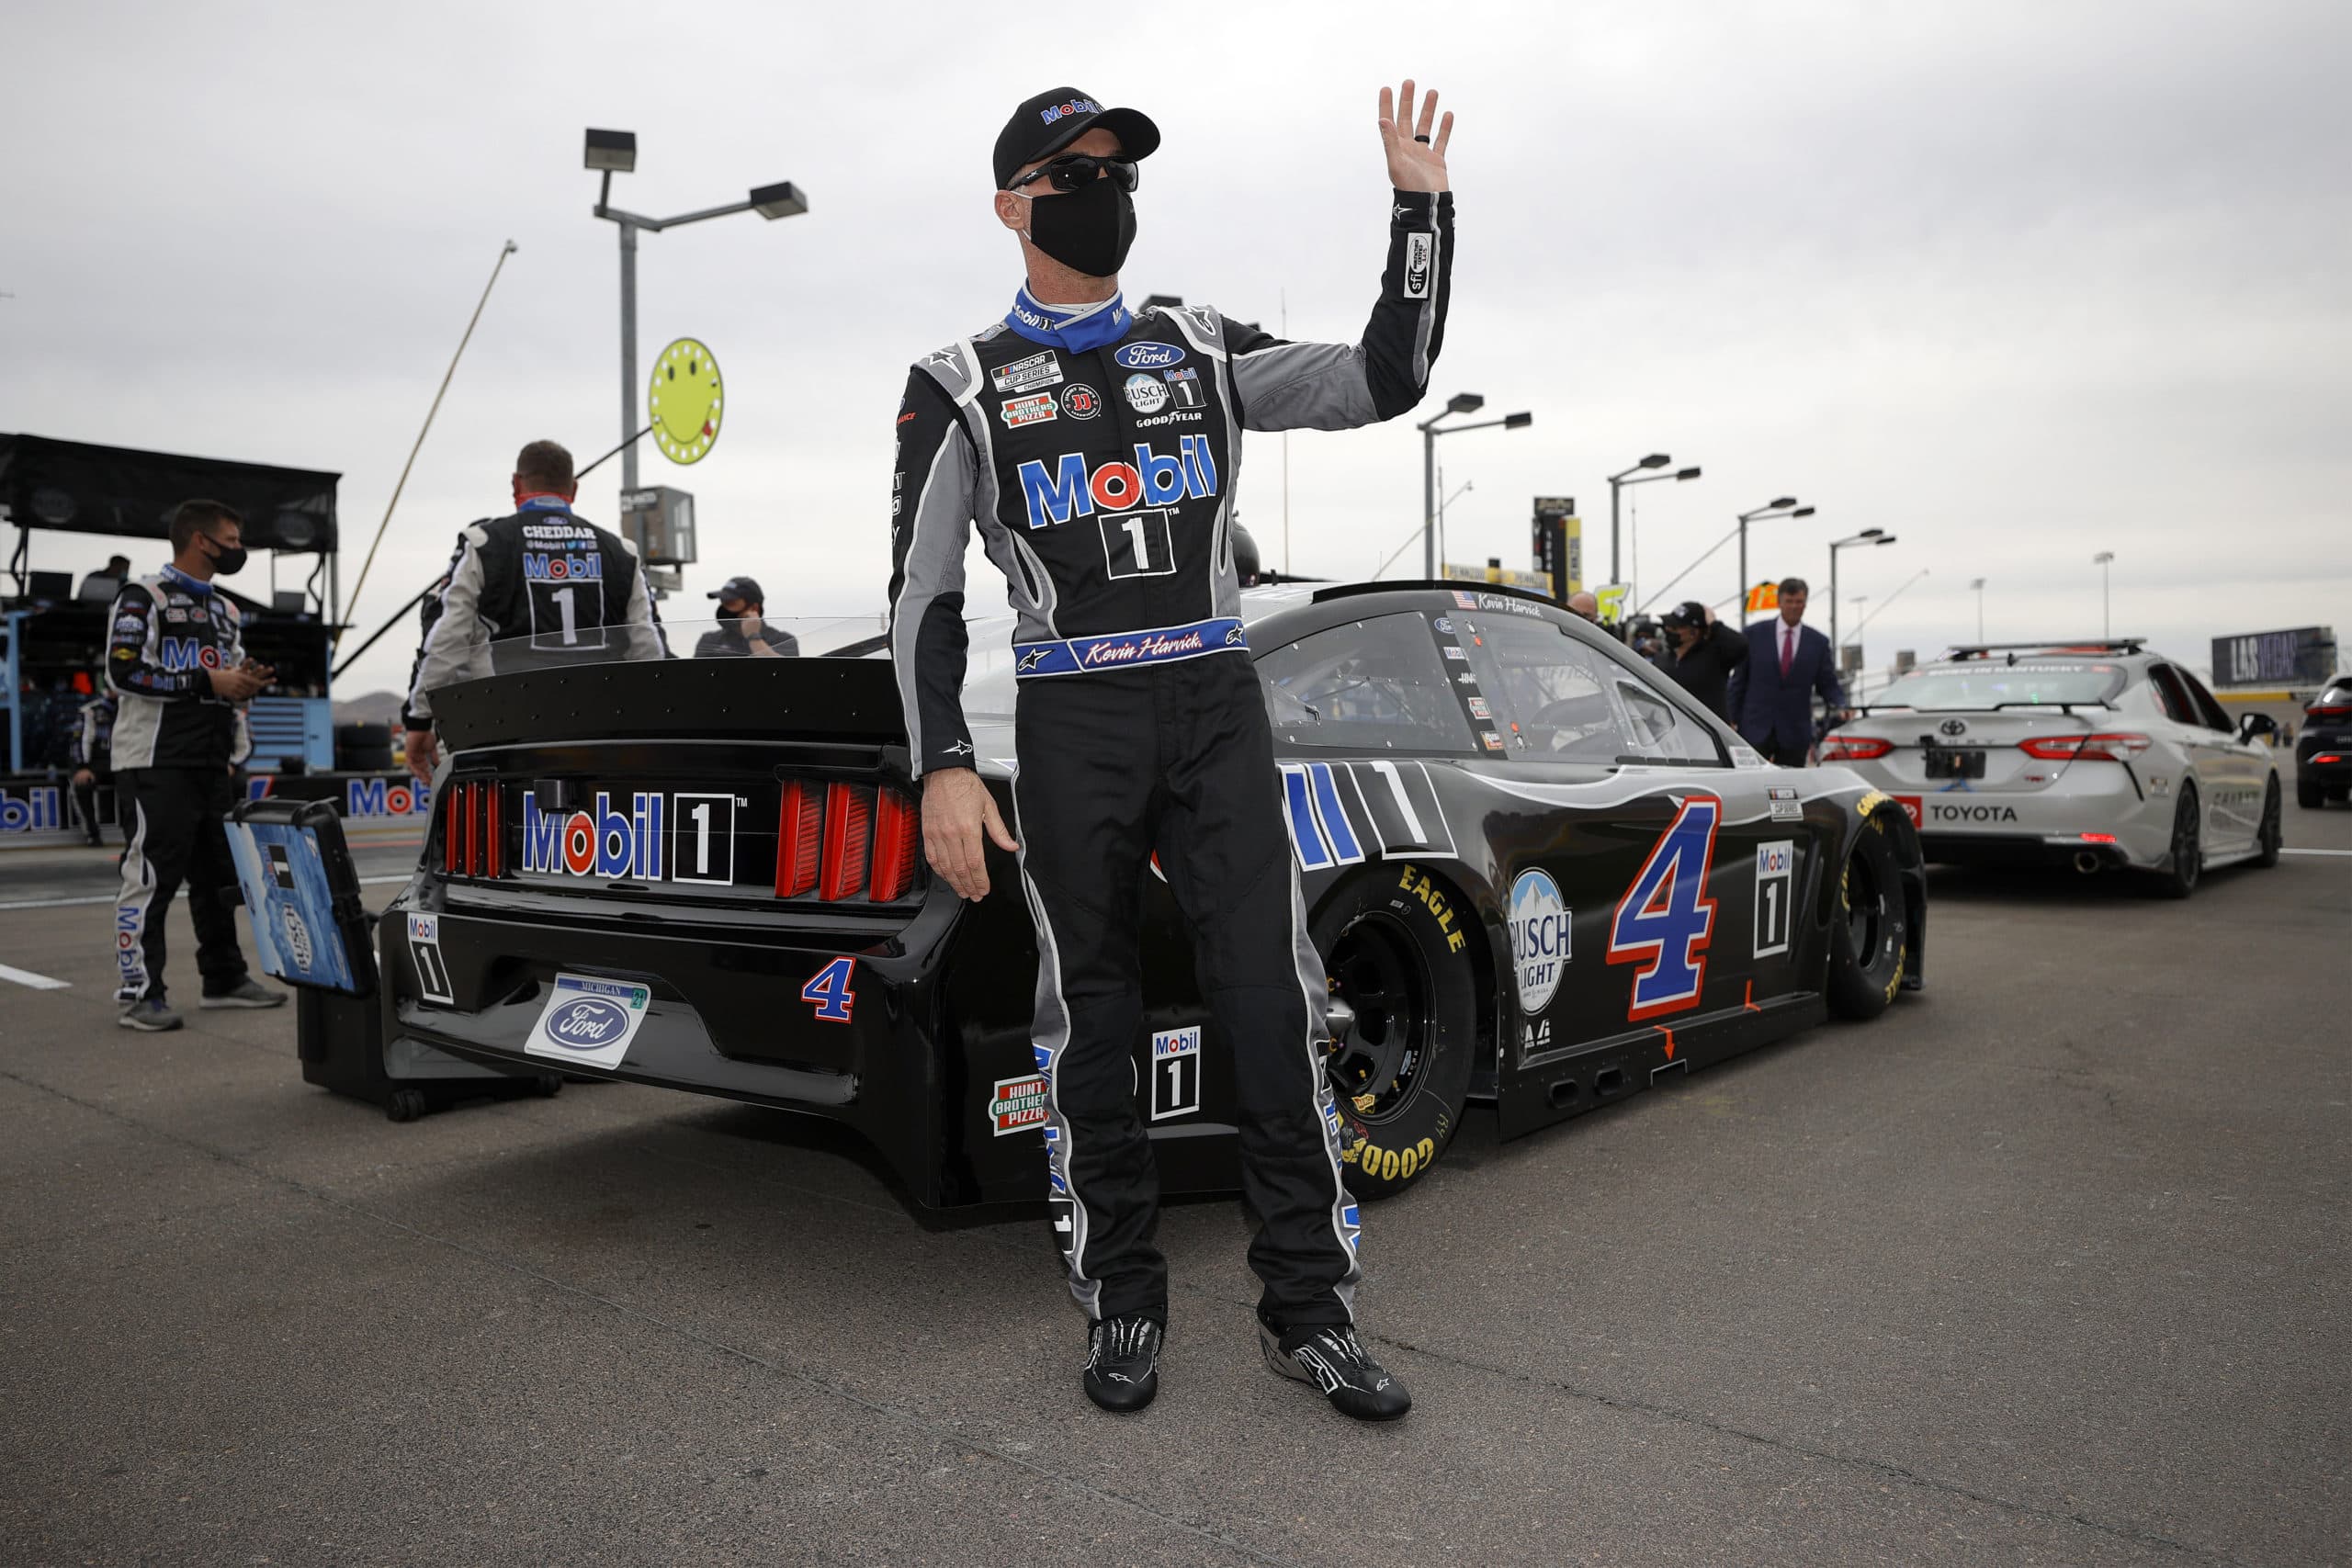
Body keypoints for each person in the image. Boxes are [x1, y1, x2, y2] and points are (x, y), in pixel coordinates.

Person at [888, 81, 1455, 1420]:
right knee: (1090, 1017)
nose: (1106, 186)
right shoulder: (956, 384)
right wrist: (944, 762)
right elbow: (923, 597)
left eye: (1118, 165)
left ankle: (1310, 1310)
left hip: (1212, 695)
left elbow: (1388, 375)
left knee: (1269, 1001)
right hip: (1071, 714)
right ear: (1012, 204)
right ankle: (1125, 1299)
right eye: (1074, 169)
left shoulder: (1198, 341)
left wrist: (1418, 208)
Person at [106, 500, 286, 1031]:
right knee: (150, 876)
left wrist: (243, 681)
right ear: (201, 540)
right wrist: (206, 682)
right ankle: (141, 991)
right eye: (231, 538)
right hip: (154, 761)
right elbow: (124, 673)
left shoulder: (226, 611)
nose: (238, 548)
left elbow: (227, 680)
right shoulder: (144, 597)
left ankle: (224, 978)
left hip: (212, 761)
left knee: (218, 879)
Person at [404, 440, 666, 781]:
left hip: (508, 737)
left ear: (516, 484)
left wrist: (419, 719)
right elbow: (651, 652)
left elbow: (446, 641)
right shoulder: (621, 551)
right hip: (600, 739)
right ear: (573, 489)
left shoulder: (483, 543)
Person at [1727, 576, 1847, 764]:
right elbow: (1739, 681)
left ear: (1805, 603)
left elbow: (1827, 683)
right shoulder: (1753, 635)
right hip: (1755, 727)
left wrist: (1841, 705)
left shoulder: (1818, 643)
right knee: (1750, 784)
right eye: (1789, 602)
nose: (1793, 607)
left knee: (1793, 788)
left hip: (1795, 731)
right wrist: (1730, 718)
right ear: (1779, 602)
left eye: (1799, 602)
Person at [1650, 600, 1747, 721]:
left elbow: (1741, 646)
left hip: (1706, 731)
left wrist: (1714, 624)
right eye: (1667, 625)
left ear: (1693, 632)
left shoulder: (1714, 657)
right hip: (1671, 730)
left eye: (1675, 627)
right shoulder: (1662, 658)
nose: (1668, 630)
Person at [694, 575, 798, 658]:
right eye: (723, 602)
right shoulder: (710, 640)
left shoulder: (783, 640)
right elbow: (695, 677)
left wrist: (753, 637)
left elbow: (785, 673)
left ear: (753, 608)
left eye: (731, 603)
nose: (724, 608)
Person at [69, 689, 119, 847]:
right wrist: (82, 766)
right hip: (96, 763)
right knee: (81, 784)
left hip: (126, 761)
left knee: (143, 782)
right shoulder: (90, 710)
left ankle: (137, 834)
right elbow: (79, 741)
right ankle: (92, 834)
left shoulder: (134, 708)